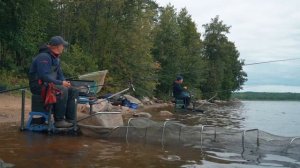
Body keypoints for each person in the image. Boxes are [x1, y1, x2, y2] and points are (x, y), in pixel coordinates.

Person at [28, 36, 78, 128]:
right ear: (57, 46)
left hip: (51, 84)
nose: (63, 48)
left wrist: (64, 81)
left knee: (72, 90)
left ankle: (70, 119)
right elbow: (44, 76)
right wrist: (61, 83)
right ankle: (59, 120)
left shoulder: (56, 59)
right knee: (62, 89)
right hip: (38, 86)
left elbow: (60, 75)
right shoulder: (44, 56)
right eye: (62, 46)